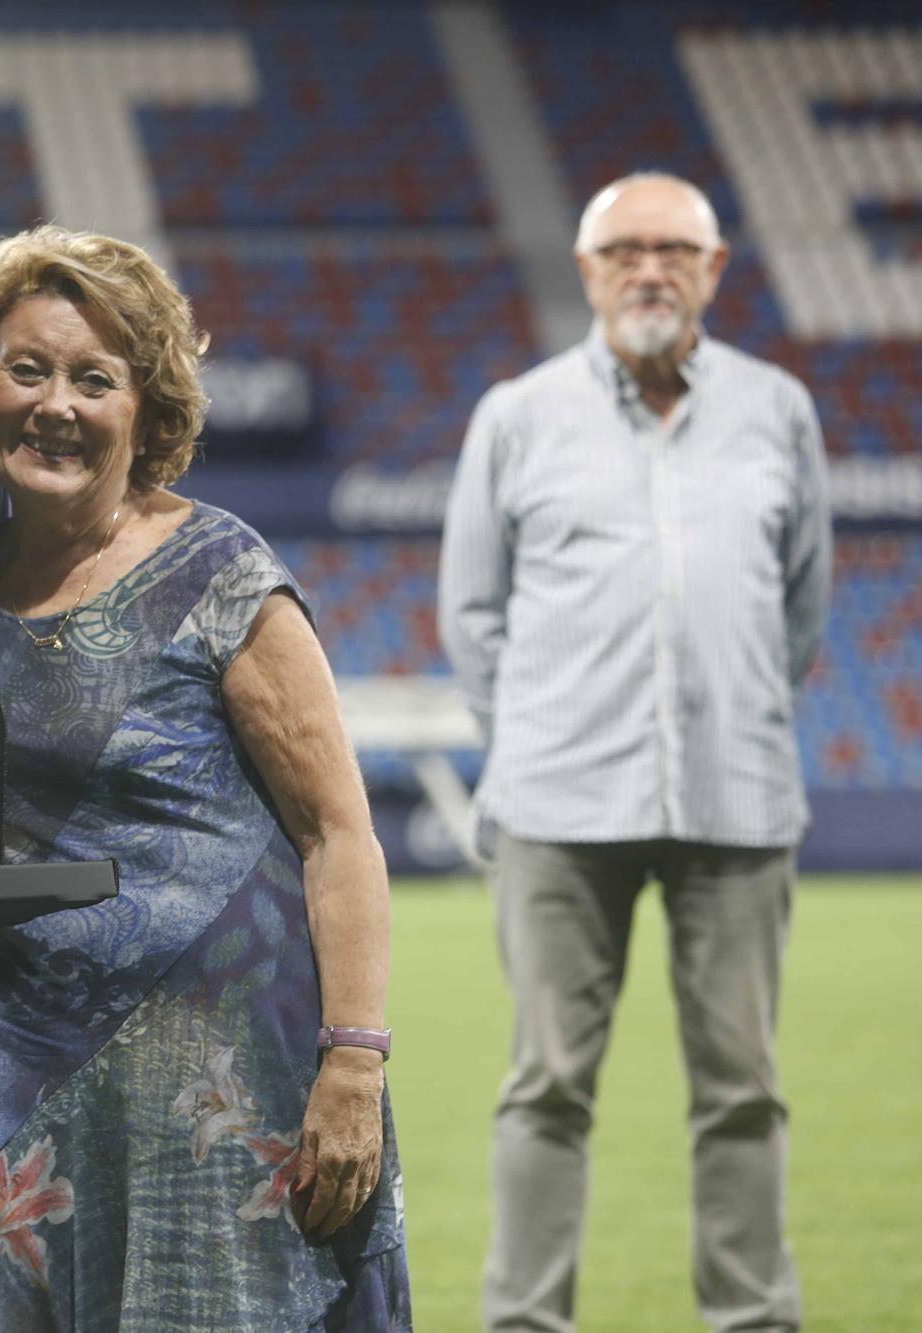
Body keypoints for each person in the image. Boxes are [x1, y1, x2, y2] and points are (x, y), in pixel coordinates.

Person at [0, 225, 410, 1331]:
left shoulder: (223, 576)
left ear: (144, 409)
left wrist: (355, 1064)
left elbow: (340, 834)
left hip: (221, 1104)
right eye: (26, 368)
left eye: (93, 379)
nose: (54, 403)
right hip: (15, 1097)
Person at [439, 172, 830, 1333]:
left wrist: (739, 707)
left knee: (741, 1094)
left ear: (713, 270)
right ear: (585, 271)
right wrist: (533, 743)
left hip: (737, 802)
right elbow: (470, 616)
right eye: (623, 252)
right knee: (544, 1088)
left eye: (672, 250)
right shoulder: (517, 415)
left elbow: (798, 606)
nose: (647, 270)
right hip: (557, 807)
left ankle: (751, 1319)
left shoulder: (778, 411)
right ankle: (525, 1321)